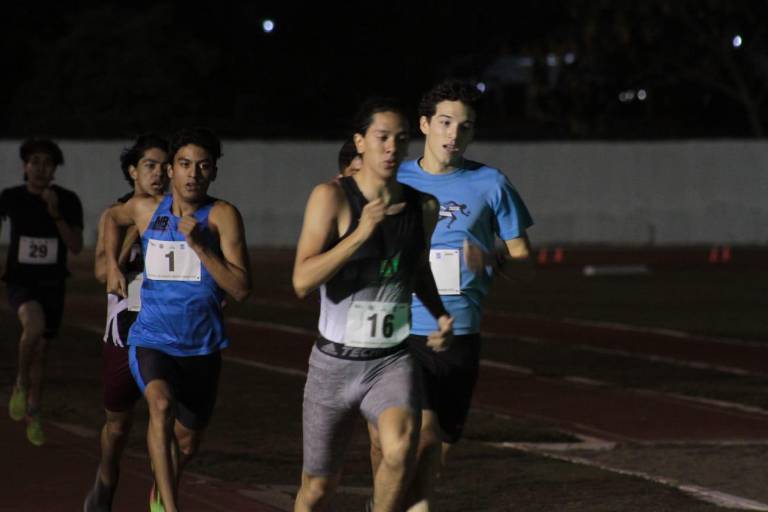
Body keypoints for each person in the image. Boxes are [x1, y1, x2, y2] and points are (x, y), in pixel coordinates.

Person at [372, 79, 534, 511]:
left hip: (461, 334)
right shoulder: (395, 178)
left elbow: (523, 254)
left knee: (437, 448)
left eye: (465, 127)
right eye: (445, 123)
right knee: (415, 437)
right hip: (402, 332)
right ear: (425, 125)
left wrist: (490, 257)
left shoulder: (490, 183)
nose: (453, 135)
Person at [292, 98, 453, 512]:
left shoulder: (424, 207)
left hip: (390, 361)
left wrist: (439, 313)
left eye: (401, 139)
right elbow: (301, 281)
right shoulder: (331, 198)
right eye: (382, 137)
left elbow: (415, 271)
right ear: (360, 142)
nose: (392, 148)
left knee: (400, 448)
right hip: (333, 364)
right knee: (317, 489)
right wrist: (361, 234)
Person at [104, 127, 252, 512]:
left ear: (214, 172)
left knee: (186, 442)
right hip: (152, 338)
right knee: (160, 404)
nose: (194, 174)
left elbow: (240, 289)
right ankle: (170, 507)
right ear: (171, 170)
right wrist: (114, 265)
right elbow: (111, 217)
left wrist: (202, 247)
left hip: (201, 346)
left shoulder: (222, 216)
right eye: (185, 165)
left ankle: (162, 484)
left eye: (203, 166)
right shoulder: (146, 209)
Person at [84, 134, 169, 511]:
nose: (159, 173)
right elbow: (102, 270)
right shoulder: (114, 215)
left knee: (163, 410)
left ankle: (162, 490)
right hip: (123, 330)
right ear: (133, 171)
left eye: (165, 166)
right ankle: (106, 476)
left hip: (167, 326)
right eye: (150, 165)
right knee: (117, 426)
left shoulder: (181, 212)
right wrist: (135, 224)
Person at [0, 138, 83, 446]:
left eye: (47, 163)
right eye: (34, 161)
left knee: (42, 352)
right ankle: (20, 382)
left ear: (54, 169)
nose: (40, 168)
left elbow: (74, 246)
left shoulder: (67, 200)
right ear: (24, 166)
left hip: (53, 284)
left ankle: (34, 410)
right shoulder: (11, 197)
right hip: (21, 281)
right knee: (32, 329)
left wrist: (55, 213)